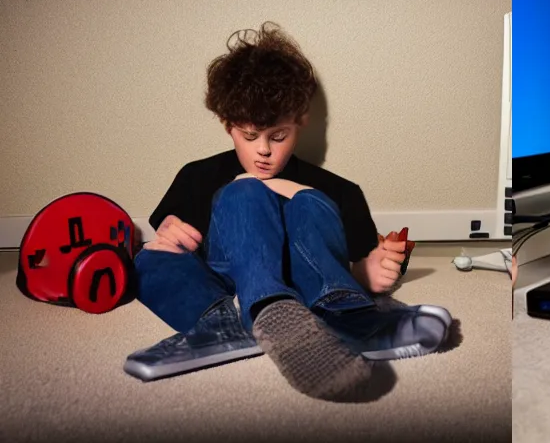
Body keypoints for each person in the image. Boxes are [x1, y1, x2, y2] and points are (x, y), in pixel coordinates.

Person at [126, 25, 451, 398]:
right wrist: (169, 234)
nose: (263, 150)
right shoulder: (197, 177)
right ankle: (228, 324)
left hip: (311, 286)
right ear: (227, 125)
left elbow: (352, 260)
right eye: (249, 137)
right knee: (148, 259)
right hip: (222, 293)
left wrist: (363, 273)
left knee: (291, 197)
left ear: (301, 119)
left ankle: (345, 316)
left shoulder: (339, 192)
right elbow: (173, 250)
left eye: (277, 136)